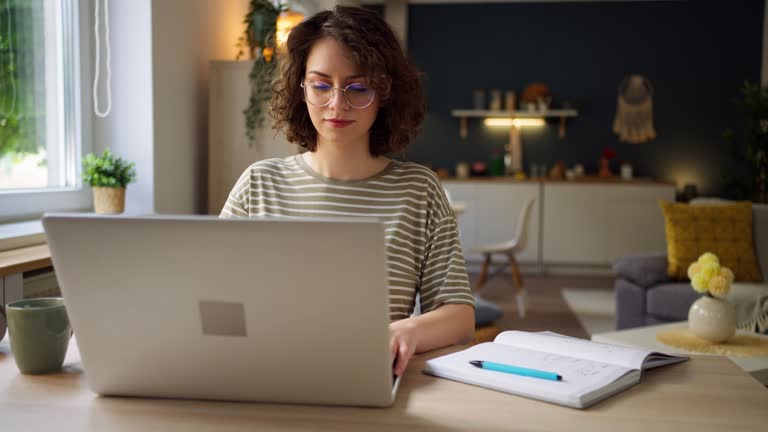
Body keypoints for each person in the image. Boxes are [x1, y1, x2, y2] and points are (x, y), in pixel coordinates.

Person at [220, 6, 474, 377]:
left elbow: (460, 315)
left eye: (358, 88)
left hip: (365, 376)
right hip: (262, 373)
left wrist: (407, 330)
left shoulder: (419, 191)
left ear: (386, 93)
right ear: (300, 88)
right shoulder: (259, 184)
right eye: (321, 85)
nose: (337, 104)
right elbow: (214, 296)